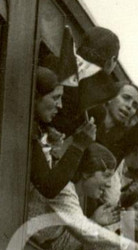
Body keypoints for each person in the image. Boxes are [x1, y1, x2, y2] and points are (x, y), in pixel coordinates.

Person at [30, 66, 101, 199]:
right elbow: (48, 187)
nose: (60, 105)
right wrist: (78, 146)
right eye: (55, 97)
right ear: (35, 95)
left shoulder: (38, 129)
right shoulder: (29, 132)